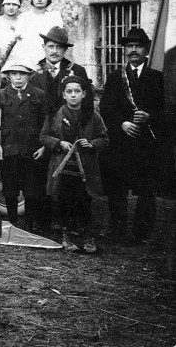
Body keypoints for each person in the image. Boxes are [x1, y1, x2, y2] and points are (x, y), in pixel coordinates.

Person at [100, 28, 166, 241]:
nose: (133, 50)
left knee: (146, 190)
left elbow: (167, 109)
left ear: (146, 50)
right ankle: (117, 229)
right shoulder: (114, 77)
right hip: (120, 142)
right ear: (124, 50)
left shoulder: (157, 77)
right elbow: (106, 108)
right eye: (129, 46)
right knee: (117, 188)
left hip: (146, 142)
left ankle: (141, 232)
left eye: (138, 46)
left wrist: (150, 116)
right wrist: (122, 123)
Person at [40, 75, 108, 253]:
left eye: (77, 91)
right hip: (63, 166)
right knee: (64, 200)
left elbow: (104, 138)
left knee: (85, 200)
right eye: (69, 92)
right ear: (63, 94)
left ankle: (87, 236)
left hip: (85, 166)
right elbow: (44, 136)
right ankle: (66, 235)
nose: (73, 95)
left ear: (84, 94)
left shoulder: (93, 116)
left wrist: (92, 143)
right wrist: (58, 143)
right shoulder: (55, 114)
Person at [0, 62, 48, 232]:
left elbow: (46, 124)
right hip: (9, 150)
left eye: (22, 74)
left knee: (32, 189)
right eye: (14, 74)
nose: (18, 77)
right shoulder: (1, 95)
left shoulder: (39, 95)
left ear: (29, 76)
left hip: (32, 150)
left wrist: (44, 147)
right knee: (10, 189)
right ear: (8, 76)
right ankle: (12, 223)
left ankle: (29, 225)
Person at [29, 26, 91, 116]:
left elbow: (87, 103)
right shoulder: (33, 72)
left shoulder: (77, 70)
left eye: (59, 47)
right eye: (51, 46)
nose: (54, 51)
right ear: (44, 47)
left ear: (65, 50)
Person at [5, 0, 64, 69]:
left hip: (48, 59)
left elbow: (58, 41)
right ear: (32, 0)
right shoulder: (23, 17)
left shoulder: (54, 17)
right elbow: (18, 42)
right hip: (27, 59)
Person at [0, 0, 24, 72]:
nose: (11, 7)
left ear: (19, 6)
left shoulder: (23, 22)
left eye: (14, 4)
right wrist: (0, 67)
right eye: (8, 4)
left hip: (18, 65)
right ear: (3, 5)